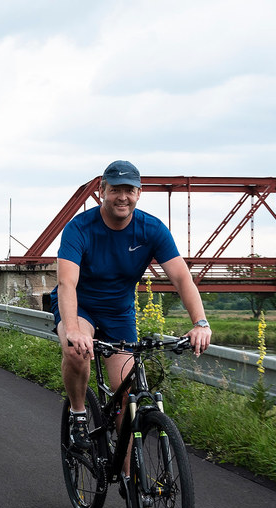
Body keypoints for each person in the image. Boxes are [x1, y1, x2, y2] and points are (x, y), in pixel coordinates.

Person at [51, 160, 212, 453]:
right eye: (114, 189)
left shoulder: (151, 229)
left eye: (128, 190)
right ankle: (77, 414)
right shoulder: (79, 228)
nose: (122, 197)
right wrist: (73, 329)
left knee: (129, 397)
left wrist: (201, 323)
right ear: (102, 191)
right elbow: (67, 284)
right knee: (76, 350)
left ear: (140, 192)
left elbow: (181, 278)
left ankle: (127, 477)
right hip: (80, 306)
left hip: (119, 312)